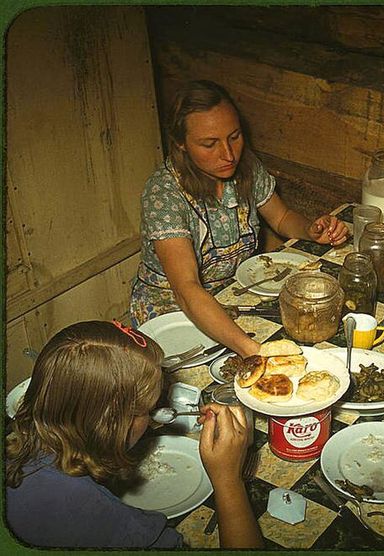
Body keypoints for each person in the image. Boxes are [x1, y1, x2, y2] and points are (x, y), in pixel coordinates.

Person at [130, 80, 348, 357]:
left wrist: (310, 229)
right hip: (172, 310)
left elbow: (281, 218)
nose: (228, 154)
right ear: (180, 144)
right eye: (209, 144)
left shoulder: (245, 166)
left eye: (234, 136)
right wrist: (250, 349)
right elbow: (187, 289)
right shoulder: (164, 195)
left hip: (232, 293)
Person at [5, 321, 264, 549]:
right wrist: (228, 480)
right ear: (111, 426)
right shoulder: (87, 512)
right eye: (148, 410)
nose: (154, 417)